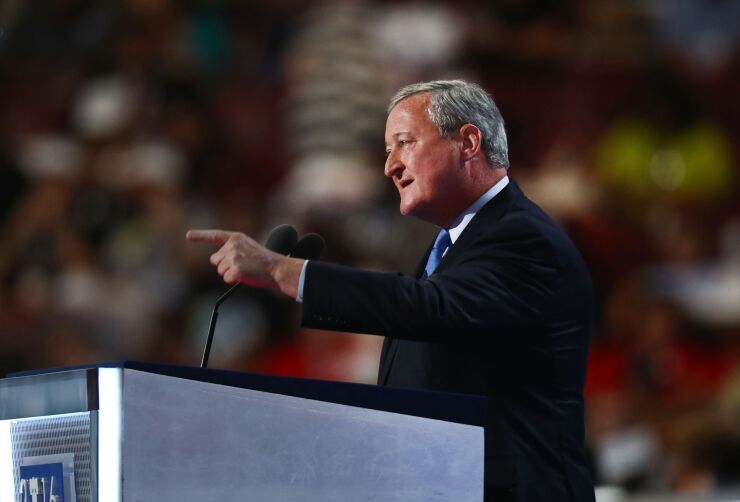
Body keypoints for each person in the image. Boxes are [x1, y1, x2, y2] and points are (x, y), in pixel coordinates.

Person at [187, 80, 595, 502]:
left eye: (404, 143)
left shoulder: (524, 238)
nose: (390, 166)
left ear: (469, 141)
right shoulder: (452, 248)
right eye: (387, 150)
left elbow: (430, 308)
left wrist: (286, 271)